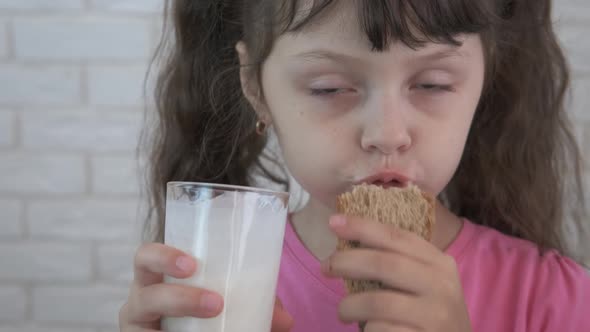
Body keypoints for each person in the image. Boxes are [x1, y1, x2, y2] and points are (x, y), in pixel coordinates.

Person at [119, 0, 590, 331]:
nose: (387, 133)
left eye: (432, 84)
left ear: (486, 76)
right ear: (255, 85)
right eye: (329, 88)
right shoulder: (216, 285)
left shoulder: (553, 300)